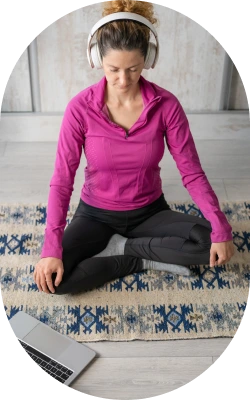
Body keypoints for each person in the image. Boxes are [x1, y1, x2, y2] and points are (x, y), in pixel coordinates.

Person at [34, 0, 234, 295]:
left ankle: (126, 250)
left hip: (149, 212)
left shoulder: (166, 106)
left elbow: (191, 172)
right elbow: (62, 181)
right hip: (95, 214)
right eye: (113, 69)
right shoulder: (79, 109)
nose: (123, 80)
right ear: (96, 57)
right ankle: (135, 260)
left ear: (148, 60)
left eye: (134, 69)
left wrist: (221, 226)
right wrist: (51, 247)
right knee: (53, 281)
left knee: (212, 242)